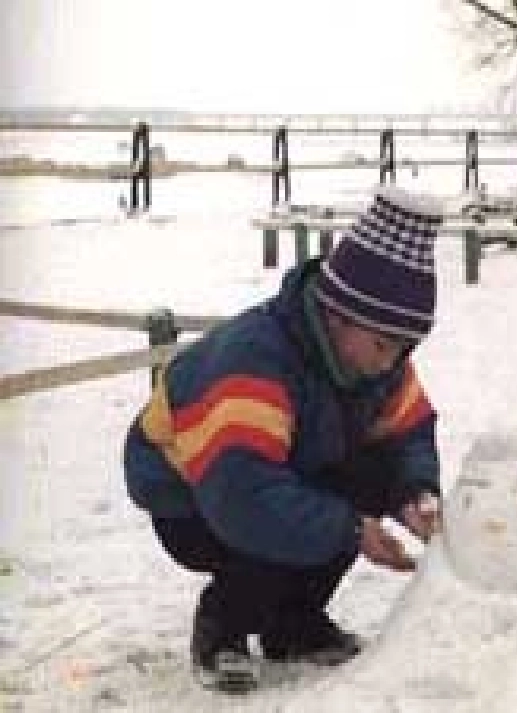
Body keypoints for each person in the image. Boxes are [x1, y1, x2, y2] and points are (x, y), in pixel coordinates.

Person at [123, 187, 445, 693]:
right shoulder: (254, 358)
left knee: (362, 484)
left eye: (405, 348)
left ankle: (294, 624)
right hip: (193, 496)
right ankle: (222, 627)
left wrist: (414, 494)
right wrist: (351, 531)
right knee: (289, 518)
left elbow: (408, 433)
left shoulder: (378, 358)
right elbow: (242, 493)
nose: (391, 362)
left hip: (280, 469)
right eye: (384, 345)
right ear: (338, 314)